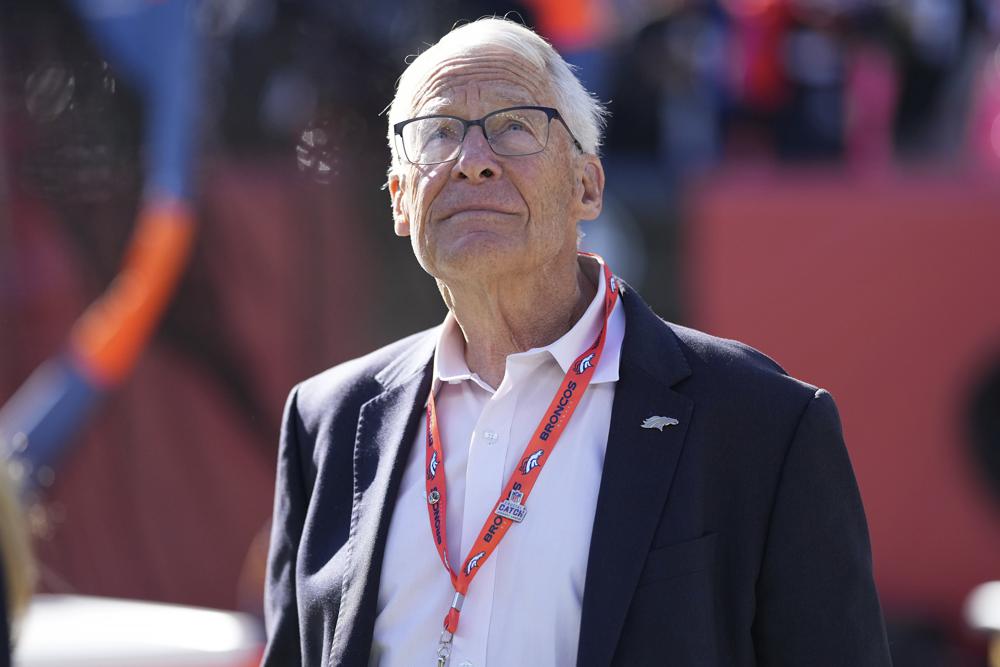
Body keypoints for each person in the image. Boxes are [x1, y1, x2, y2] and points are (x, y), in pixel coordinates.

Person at [262, 17, 892, 667]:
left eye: (513, 126)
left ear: (586, 186)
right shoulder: (329, 422)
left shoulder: (761, 423)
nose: (472, 162)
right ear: (400, 200)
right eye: (439, 133)